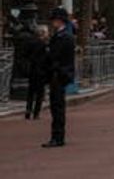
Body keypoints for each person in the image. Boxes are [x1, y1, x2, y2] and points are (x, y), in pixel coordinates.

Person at [42, 8, 73, 148]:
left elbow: (55, 56)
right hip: (59, 73)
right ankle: (57, 135)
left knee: (57, 107)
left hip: (59, 74)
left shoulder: (63, 37)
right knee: (56, 106)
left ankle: (58, 136)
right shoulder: (62, 35)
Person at [25, 24, 49, 120]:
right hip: (41, 71)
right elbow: (46, 59)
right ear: (43, 33)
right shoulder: (43, 44)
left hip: (32, 70)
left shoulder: (30, 42)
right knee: (39, 93)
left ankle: (28, 110)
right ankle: (36, 113)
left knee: (31, 92)